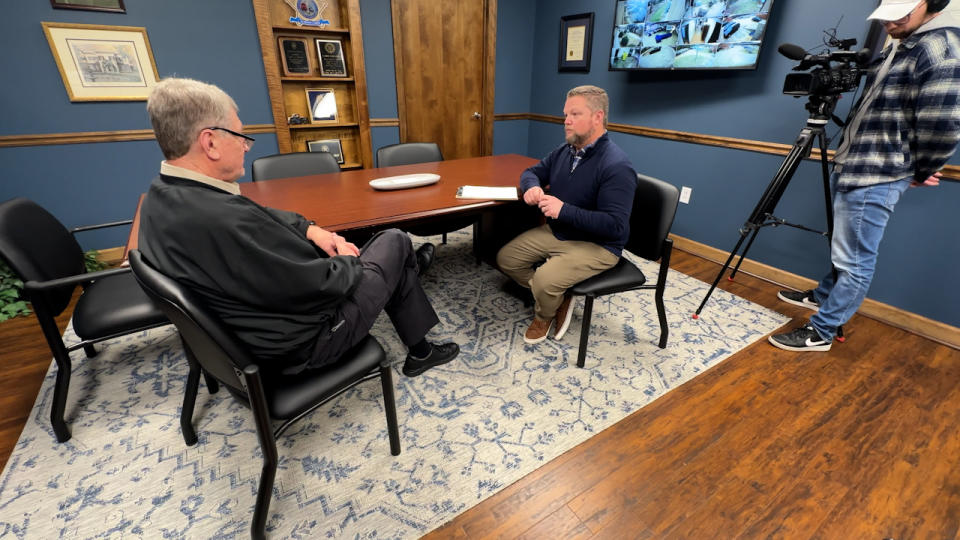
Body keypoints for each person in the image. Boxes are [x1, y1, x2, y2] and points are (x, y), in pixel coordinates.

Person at [138, 77, 459, 376]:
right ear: (210, 143)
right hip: (304, 344)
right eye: (239, 135)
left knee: (381, 253)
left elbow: (262, 214)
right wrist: (349, 260)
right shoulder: (225, 219)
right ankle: (414, 303)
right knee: (396, 239)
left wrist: (311, 229)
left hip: (251, 334)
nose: (246, 146)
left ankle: (413, 298)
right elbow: (322, 285)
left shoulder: (161, 195)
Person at [770, 0, 960, 351]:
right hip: (856, 162)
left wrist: (925, 167)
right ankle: (823, 296)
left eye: (900, 13)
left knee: (855, 260)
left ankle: (822, 332)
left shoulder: (940, 48)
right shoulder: (904, 45)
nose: (889, 22)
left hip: (878, 171)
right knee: (846, 249)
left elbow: (943, 122)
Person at [496, 85, 637, 344]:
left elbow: (616, 227)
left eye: (574, 114)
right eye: (565, 114)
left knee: (543, 279)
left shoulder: (616, 165)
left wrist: (563, 210)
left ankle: (544, 314)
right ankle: (555, 296)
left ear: (598, 117)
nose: (566, 121)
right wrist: (533, 186)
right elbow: (532, 172)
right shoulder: (566, 151)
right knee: (506, 259)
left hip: (598, 245)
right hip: (560, 232)